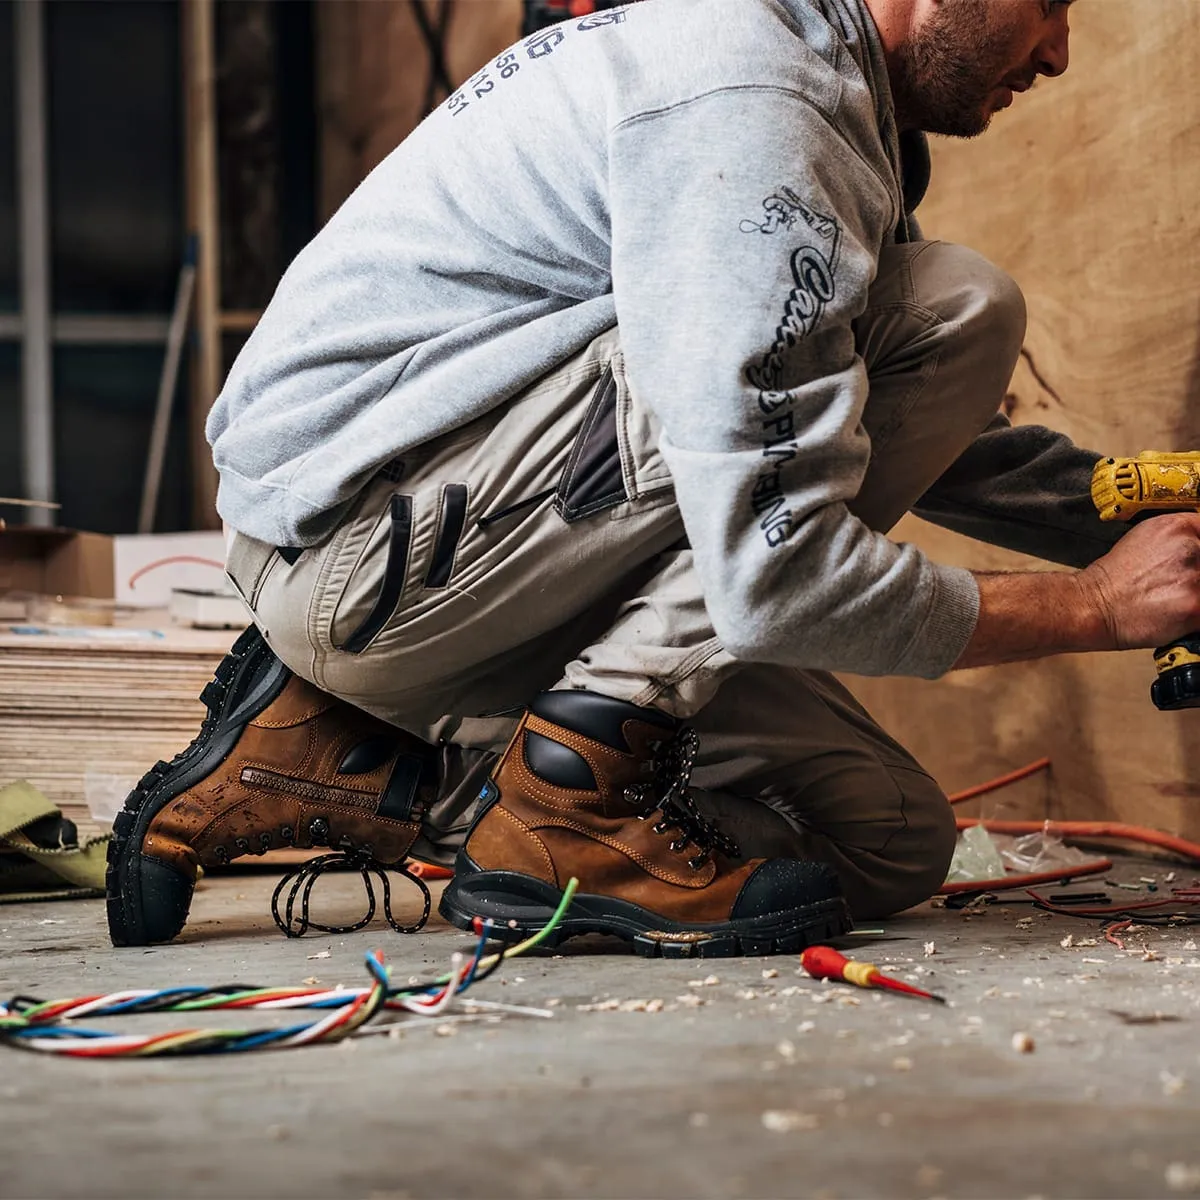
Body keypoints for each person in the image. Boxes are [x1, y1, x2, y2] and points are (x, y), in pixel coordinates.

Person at [105, 0, 1200, 956]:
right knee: (963, 305)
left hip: (445, 547)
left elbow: (842, 413)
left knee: (889, 837)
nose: (1057, 51)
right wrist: (1097, 605)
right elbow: (779, 577)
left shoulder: (825, 94)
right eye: (1050, 2)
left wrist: (1138, 511)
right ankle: (572, 786)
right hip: (367, 559)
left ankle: (358, 757)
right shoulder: (755, 98)